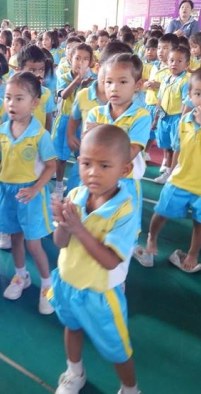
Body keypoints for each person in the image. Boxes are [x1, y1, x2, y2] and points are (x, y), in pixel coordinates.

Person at [49, 124, 141, 394]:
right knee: (71, 327)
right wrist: (63, 223)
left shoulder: (124, 210)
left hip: (100, 293)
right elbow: (60, 243)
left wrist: (78, 228)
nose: (93, 173)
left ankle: (130, 388)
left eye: (104, 166)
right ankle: (74, 372)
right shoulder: (75, 195)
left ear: (124, 169)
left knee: (117, 349)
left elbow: (111, 261)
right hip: (67, 282)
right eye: (86, 163)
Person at [136, 67, 201, 272]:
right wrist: (171, 173)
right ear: (190, 96)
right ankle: (152, 237)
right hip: (181, 178)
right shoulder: (185, 120)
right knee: (161, 211)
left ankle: (193, 253)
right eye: (198, 93)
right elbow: (178, 149)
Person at [0, 72, 56, 315]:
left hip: (30, 194)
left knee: (34, 243)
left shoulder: (40, 135)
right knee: (15, 238)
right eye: (8, 97)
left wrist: (35, 189)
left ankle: (47, 285)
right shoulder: (1, 131)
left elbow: (51, 166)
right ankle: (21, 276)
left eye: (19, 98)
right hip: (6, 191)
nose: (11, 103)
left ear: (34, 103)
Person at [86, 53, 150, 256]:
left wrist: (102, 131)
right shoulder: (95, 113)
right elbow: (87, 149)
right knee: (96, 227)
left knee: (123, 231)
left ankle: (120, 267)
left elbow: (128, 154)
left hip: (126, 183)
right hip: (97, 180)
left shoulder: (141, 116)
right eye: (109, 82)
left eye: (122, 82)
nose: (114, 88)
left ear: (137, 85)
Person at [53, 43, 96, 200]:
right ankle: (59, 186)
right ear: (70, 59)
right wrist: (77, 81)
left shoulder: (92, 79)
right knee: (61, 158)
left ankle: (80, 187)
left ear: (90, 62)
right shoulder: (64, 77)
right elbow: (64, 95)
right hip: (65, 121)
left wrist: (84, 84)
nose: (81, 62)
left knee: (83, 157)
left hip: (83, 123)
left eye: (85, 59)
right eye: (77, 58)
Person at [152, 46, 191, 184]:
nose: (174, 64)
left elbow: (186, 102)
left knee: (177, 148)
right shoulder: (165, 79)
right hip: (164, 118)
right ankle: (168, 170)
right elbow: (160, 99)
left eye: (179, 61)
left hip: (177, 118)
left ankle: (173, 174)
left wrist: (182, 120)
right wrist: (156, 119)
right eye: (172, 60)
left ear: (186, 64)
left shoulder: (186, 81)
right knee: (167, 146)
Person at [144, 33, 178, 166]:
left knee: (163, 135)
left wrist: (158, 85)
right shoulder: (155, 66)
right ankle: (145, 153)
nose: (160, 51)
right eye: (159, 48)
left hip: (162, 107)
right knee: (149, 131)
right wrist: (147, 84)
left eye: (165, 48)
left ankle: (166, 160)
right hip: (149, 103)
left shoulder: (172, 70)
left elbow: (170, 88)